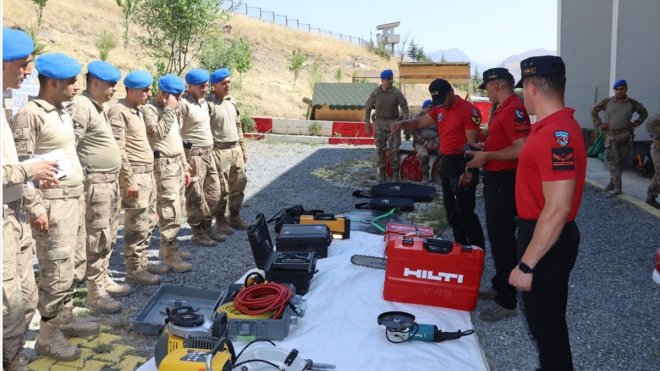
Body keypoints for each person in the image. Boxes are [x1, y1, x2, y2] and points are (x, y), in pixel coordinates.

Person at [11, 52, 100, 361]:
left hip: (72, 199)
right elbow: (21, 166)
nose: (76, 87)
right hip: (53, 205)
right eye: (71, 82)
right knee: (57, 270)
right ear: (52, 83)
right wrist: (35, 208)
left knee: (75, 263)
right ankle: (47, 336)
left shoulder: (60, 111)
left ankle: (64, 318)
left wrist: (82, 196)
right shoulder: (30, 114)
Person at [509, 55, 586, 370]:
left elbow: (557, 208)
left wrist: (526, 266)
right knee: (545, 324)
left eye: (523, 90)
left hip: (546, 241)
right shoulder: (550, 128)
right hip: (542, 235)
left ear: (531, 87)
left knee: (548, 326)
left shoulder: (557, 134)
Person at [2, 27, 61, 370]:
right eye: (23, 64)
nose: (28, 72)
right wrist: (28, 170)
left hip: (15, 213)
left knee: (26, 299)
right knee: (9, 304)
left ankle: (13, 358)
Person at [68, 60, 131, 314]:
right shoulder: (82, 107)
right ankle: (95, 293)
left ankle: (103, 280)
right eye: (110, 85)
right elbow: (70, 147)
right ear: (95, 83)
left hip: (108, 184)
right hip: (94, 184)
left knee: (108, 235)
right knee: (96, 238)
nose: (114, 89)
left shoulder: (99, 107)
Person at [468, 68, 530, 322]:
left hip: (505, 181)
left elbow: (522, 149)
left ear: (498, 84)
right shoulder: (503, 108)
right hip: (497, 179)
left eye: (488, 87)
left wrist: (488, 155)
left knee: (503, 240)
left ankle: (507, 300)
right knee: (497, 237)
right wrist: (485, 147)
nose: (487, 92)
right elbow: (506, 143)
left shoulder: (513, 108)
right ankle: (499, 284)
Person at [391, 79, 485, 249]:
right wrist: (402, 123)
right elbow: (420, 122)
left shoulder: (468, 110)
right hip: (447, 162)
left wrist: (469, 171)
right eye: (437, 102)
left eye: (443, 100)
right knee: (451, 212)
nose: (441, 105)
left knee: (465, 212)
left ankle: (478, 250)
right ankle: (461, 247)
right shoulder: (440, 108)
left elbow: (473, 146)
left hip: (463, 161)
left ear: (451, 92)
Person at [107, 70, 167, 286]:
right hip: (136, 176)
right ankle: (133, 269)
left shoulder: (138, 111)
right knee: (136, 225)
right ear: (130, 90)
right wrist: (129, 179)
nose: (149, 94)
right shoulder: (118, 111)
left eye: (150, 89)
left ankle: (142, 262)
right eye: (144, 90)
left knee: (149, 220)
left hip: (147, 174)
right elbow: (119, 148)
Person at [141, 74, 192, 273]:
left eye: (179, 97)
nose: (178, 100)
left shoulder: (171, 109)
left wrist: (185, 164)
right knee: (170, 211)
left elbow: (176, 139)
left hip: (176, 164)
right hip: (163, 165)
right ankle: (171, 255)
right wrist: (169, 110)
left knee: (178, 209)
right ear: (162, 94)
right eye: (175, 96)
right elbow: (158, 134)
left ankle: (167, 249)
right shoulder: (150, 110)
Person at [179, 68, 224, 246]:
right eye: (201, 86)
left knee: (214, 194)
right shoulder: (183, 104)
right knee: (195, 197)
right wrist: (183, 162)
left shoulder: (204, 103)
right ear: (189, 86)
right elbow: (176, 132)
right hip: (194, 157)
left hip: (208, 154)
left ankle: (207, 226)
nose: (204, 89)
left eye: (206, 86)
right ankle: (198, 233)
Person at [208, 68, 249, 234]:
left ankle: (234, 216)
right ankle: (220, 219)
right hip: (219, 151)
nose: (227, 85)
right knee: (221, 189)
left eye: (229, 82)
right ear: (214, 85)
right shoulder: (209, 104)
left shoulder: (232, 101)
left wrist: (243, 148)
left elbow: (238, 125)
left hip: (235, 149)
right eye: (223, 83)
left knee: (239, 184)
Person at [591, 79, 648, 196]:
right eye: (617, 89)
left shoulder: (632, 103)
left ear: (626, 89)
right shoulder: (607, 102)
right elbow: (594, 110)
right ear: (614, 90)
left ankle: (612, 182)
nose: (619, 91)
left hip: (625, 136)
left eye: (622, 89)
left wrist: (634, 124)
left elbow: (644, 113)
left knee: (620, 162)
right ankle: (618, 187)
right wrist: (599, 124)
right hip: (610, 136)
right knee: (613, 161)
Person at [364, 69, 409, 182]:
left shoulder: (396, 93)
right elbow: (367, 107)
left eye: (392, 79)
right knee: (380, 150)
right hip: (379, 124)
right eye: (388, 79)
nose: (391, 81)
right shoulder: (375, 93)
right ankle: (382, 174)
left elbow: (405, 107)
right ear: (382, 80)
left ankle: (395, 175)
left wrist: (405, 122)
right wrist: (367, 123)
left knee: (395, 150)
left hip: (393, 124)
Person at [410, 99, 438, 184]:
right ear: (424, 108)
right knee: (424, 155)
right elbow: (414, 133)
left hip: (434, 141)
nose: (430, 109)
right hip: (420, 142)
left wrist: (437, 142)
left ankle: (437, 174)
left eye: (432, 107)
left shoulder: (435, 117)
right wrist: (425, 143)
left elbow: (442, 131)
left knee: (445, 152)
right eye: (429, 107)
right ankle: (425, 175)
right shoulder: (417, 118)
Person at [646, 113, 660, 209]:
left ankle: (651, 197)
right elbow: (649, 124)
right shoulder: (656, 119)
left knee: (658, 174)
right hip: (658, 150)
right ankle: (651, 197)